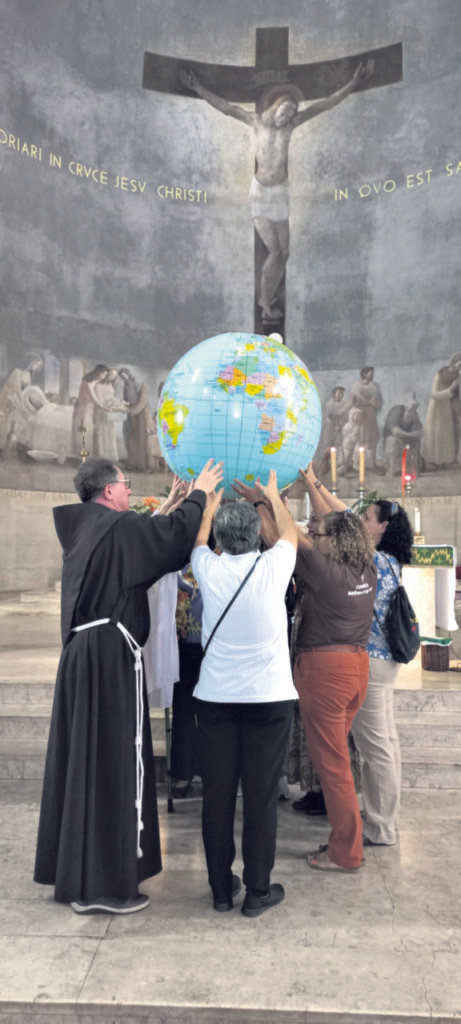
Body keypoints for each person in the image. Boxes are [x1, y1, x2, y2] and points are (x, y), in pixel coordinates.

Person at [33, 456, 223, 914]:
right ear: (108, 491)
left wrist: (171, 504)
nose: (130, 490)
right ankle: (102, 887)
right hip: (108, 662)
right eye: (126, 484)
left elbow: (138, 550)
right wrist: (200, 493)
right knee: (112, 763)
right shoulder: (114, 530)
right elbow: (168, 541)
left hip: (87, 657)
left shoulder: (88, 528)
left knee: (90, 763)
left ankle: (82, 873)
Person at [178, 61, 373, 321]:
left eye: (292, 112)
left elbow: (324, 105)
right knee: (275, 252)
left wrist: (353, 83)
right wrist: (198, 88)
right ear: (275, 106)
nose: (289, 115)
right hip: (260, 194)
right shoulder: (256, 122)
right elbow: (226, 107)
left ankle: (266, 298)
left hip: (280, 194)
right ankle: (265, 301)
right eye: (286, 110)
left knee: (285, 253)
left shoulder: (291, 126)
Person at [191, 472, 297, 916]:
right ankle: (257, 891)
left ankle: (220, 889)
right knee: (260, 796)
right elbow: (289, 534)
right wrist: (271, 497)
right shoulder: (274, 566)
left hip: (215, 699)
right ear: (256, 536)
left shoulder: (207, 567)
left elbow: (198, 540)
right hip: (269, 700)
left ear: (220, 539)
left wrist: (208, 506)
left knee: (217, 795)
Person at [292, 465, 376, 872]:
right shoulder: (365, 565)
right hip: (355, 667)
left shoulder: (323, 571)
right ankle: (346, 842)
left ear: (334, 541)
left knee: (333, 766)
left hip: (326, 671)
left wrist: (267, 499)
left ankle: (346, 852)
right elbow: (348, 519)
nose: (313, 536)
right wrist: (313, 483)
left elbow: (286, 534)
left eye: (319, 534)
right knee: (337, 761)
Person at [351, 498, 413, 845]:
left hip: (373, 662)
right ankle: (382, 817)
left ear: (383, 527)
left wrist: (315, 485)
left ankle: (380, 826)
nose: (362, 522)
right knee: (385, 742)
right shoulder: (390, 560)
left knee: (376, 747)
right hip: (384, 660)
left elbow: (344, 527)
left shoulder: (375, 560)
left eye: (367, 517)